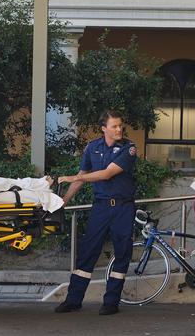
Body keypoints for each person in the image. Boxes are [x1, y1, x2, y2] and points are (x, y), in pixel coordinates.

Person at [54, 110, 137, 316]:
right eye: (114, 126)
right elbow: (82, 176)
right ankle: (73, 300)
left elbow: (107, 173)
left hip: (122, 208)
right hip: (100, 207)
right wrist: (62, 202)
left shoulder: (128, 148)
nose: (119, 129)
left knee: (122, 253)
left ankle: (111, 302)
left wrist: (73, 178)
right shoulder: (92, 147)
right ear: (104, 128)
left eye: (120, 126)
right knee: (87, 252)